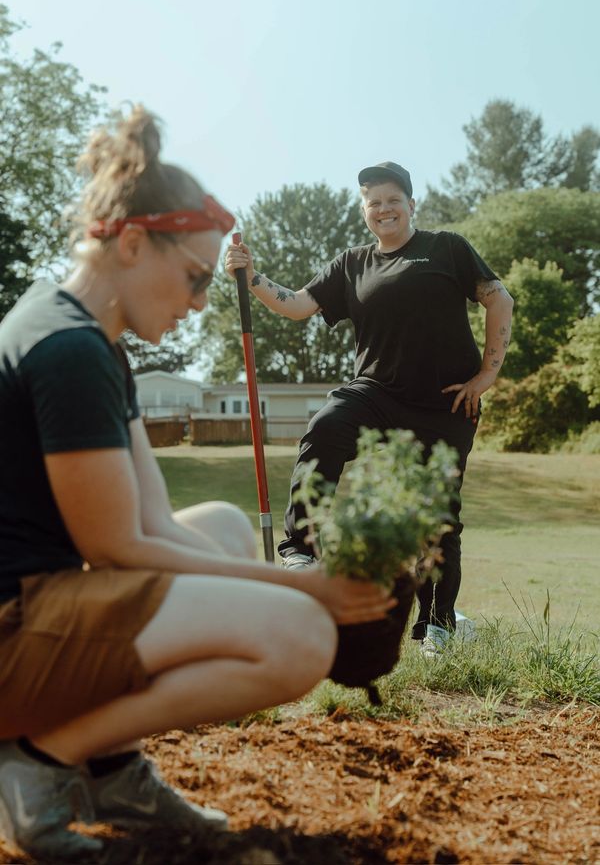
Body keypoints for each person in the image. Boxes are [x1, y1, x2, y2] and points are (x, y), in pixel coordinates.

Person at [0, 109, 395, 862]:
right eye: (195, 276)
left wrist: (282, 580)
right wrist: (307, 591)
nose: (202, 302)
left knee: (217, 524)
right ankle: (41, 764)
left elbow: (151, 527)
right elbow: (118, 547)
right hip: (12, 632)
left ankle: (113, 772)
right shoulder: (70, 352)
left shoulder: (86, 340)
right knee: (300, 639)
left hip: (31, 611)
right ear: (134, 241)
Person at [225, 161, 514, 655]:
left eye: (392, 199)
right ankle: (301, 550)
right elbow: (296, 304)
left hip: (444, 404)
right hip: (376, 393)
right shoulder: (352, 263)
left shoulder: (446, 247)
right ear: (364, 211)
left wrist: (486, 375)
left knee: (435, 514)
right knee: (327, 425)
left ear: (410, 204)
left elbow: (498, 299)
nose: (384, 209)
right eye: (373, 202)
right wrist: (252, 277)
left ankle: (438, 625)